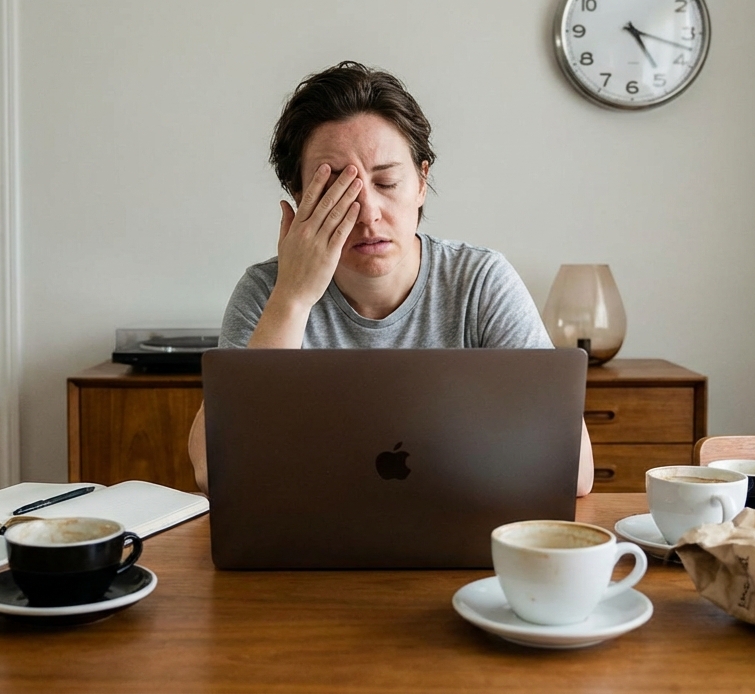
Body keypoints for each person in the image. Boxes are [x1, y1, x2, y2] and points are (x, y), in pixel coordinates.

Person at [186, 61, 594, 496]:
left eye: (387, 182)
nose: (368, 213)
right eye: (336, 191)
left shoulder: (480, 282)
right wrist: (292, 298)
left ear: (421, 182)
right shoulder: (268, 291)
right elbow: (213, 470)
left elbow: (575, 472)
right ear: (299, 199)